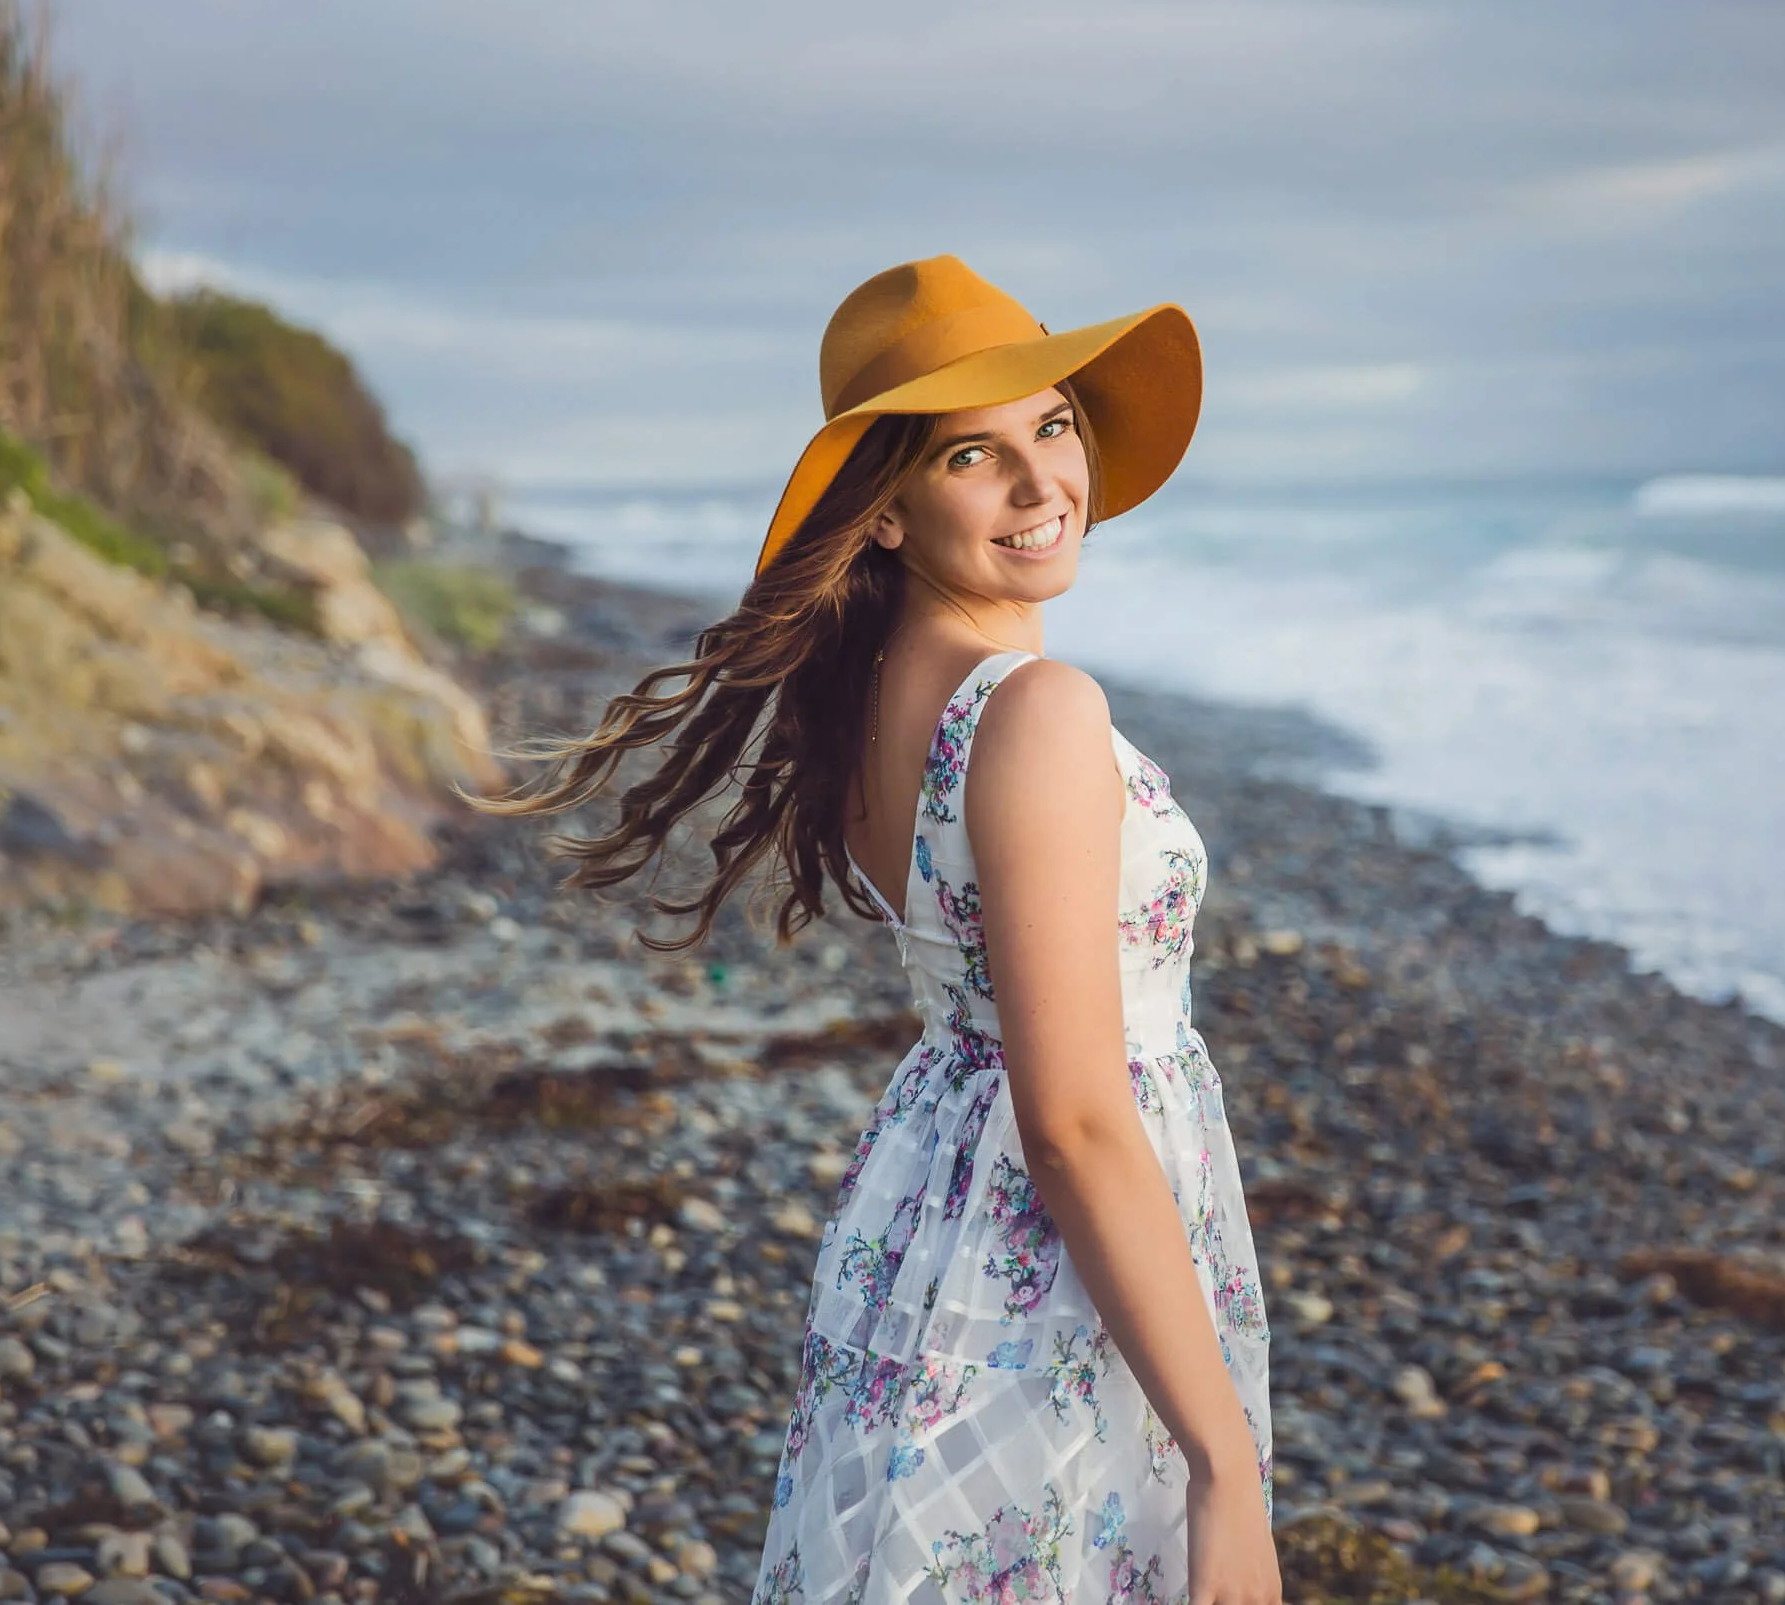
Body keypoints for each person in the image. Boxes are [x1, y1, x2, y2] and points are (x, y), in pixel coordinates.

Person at [471, 256, 1276, 1605]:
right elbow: (1074, 1115)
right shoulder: (1036, 708)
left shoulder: (877, 697)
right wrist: (1224, 1466)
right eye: (976, 453)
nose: (1040, 486)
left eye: (1054, 427)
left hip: (935, 1201)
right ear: (888, 509)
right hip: (1056, 1237)